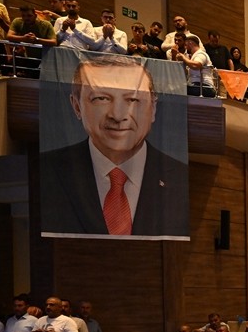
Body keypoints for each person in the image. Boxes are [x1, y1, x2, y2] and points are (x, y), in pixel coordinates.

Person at [41, 56, 189, 239]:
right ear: (77, 106)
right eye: (101, 98)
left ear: (153, 107)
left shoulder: (181, 178)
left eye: (133, 100)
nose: (118, 115)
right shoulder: (46, 171)